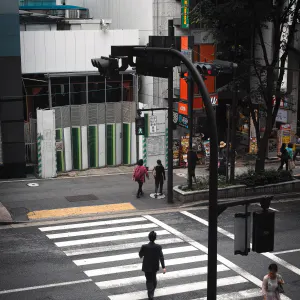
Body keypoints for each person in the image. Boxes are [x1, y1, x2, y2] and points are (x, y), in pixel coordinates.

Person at [139, 231, 166, 300]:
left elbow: (140, 255)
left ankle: (150, 295)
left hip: (147, 267)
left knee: (148, 280)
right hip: (155, 266)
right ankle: (152, 290)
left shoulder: (144, 247)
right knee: (153, 278)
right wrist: (163, 267)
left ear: (148, 237)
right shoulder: (158, 247)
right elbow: (161, 257)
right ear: (155, 238)